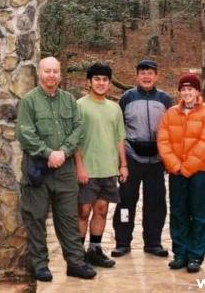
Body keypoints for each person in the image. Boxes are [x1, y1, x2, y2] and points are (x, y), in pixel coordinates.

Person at [17, 56, 97, 282]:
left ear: (60, 74)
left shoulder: (69, 100)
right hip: (38, 170)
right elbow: (25, 134)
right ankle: (40, 265)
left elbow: (78, 128)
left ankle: (75, 263)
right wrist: (48, 153)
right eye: (47, 71)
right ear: (39, 74)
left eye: (55, 71)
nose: (51, 75)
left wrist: (63, 151)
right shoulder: (29, 101)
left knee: (69, 218)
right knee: (35, 217)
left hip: (64, 170)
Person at [157, 73, 205, 273]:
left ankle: (195, 256)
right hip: (177, 172)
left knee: (200, 215)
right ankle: (181, 254)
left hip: (200, 172)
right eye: (183, 89)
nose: (187, 93)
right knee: (178, 213)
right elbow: (163, 141)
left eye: (190, 89)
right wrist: (175, 166)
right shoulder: (170, 114)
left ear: (197, 91)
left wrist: (187, 167)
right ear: (179, 92)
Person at [111, 60, 173, 258]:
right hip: (132, 158)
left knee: (155, 202)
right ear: (137, 76)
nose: (147, 77)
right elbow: (118, 131)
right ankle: (122, 241)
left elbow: (172, 128)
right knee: (126, 201)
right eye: (143, 73)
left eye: (150, 73)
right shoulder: (127, 98)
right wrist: (120, 161)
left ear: (156, 76)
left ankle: (153, 242)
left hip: (156, 160)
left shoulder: (165, 100)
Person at [75, 63, 127, 268]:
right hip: (87, 170)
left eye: (105, 79)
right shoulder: (79, 105)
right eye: (96, 79)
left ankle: (94, 250)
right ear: (89, 82)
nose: (101, 83)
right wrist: (79, 167)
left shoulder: (114, 108)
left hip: (108, 169)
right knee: (83, 211)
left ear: (109, 83)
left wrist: (123, 165)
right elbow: (75, 140)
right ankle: (77, 254)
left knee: (102, 209)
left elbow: (119, 138)